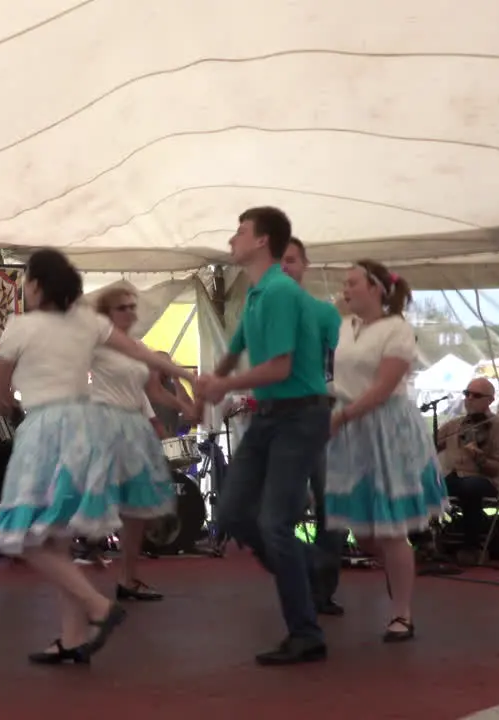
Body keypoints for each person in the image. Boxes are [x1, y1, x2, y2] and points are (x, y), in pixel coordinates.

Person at [0, 249, 196, 665]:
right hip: (84, 430)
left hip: (46, 429)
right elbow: (141, 353)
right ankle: (72, 639)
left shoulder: (22, 326)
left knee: (26, 537)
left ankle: (97, 606)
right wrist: (188, 375)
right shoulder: (87, 322)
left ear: (36, 285)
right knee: (56, 540)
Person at [196, 207, 332, 666]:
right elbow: (231, 354)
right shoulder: (257, 294)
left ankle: (306, 632)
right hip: (272, 417)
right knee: (233, 514)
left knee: (273, 523)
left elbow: (280, 367)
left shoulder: (277, 293)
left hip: (299, 417)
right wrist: (207, 387)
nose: (232, 239)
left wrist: (221, 387)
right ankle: (309, 563)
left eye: (240, 232)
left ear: (261, 241)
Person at [322, 260, 447, 642]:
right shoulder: (344, 327)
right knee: (363, 533)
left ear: (375, 288)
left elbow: (382, 387)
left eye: (352, 282)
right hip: (351, 429)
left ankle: (402, 613)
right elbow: (337, 377)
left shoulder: (398, 330)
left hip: (386, 428)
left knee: (391, 528)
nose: (345, 289)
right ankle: (399, 575)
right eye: (345, 283)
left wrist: (342, 417)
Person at [91, 284, 196, 601]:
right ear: (107, 313)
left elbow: (153, 392)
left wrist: (184, 406)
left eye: (131, 306)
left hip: (133, 428)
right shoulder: (96, 343)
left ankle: (128, 577)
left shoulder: (137, 347)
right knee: (102, 494)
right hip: (104, 423)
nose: (129, 312)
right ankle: (80, 543)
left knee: (136, 508)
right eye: (121, 307)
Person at [281, 237, 349, 616]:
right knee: (272, 513)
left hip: (323, 421)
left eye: (291, 261)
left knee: (331, 509)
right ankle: (302, 575)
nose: (285, 268)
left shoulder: (324, 316)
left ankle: (319, 590)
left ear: (304, 265)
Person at [436, 378, 499, 554]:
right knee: (421, 484)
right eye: (467, 394)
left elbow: (498, 468)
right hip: (453, 477)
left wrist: (480, 458)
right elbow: (430, 446)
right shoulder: (454, 425)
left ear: (490, 400)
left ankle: (471, 545)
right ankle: (425, 541)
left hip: (487, 481)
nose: (469, 398)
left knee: (470, 486)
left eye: (476, 395)